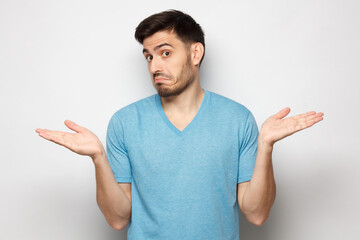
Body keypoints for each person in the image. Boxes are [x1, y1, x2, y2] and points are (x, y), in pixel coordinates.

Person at [36, 9, 324, 240]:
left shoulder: (238, 119)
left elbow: (256, 214)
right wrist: (98, 158)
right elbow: (117, 219)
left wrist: (265, 147)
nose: (154, 67)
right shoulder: (125, 122)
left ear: (195, 53)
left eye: (165, 53)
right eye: (148, 57)